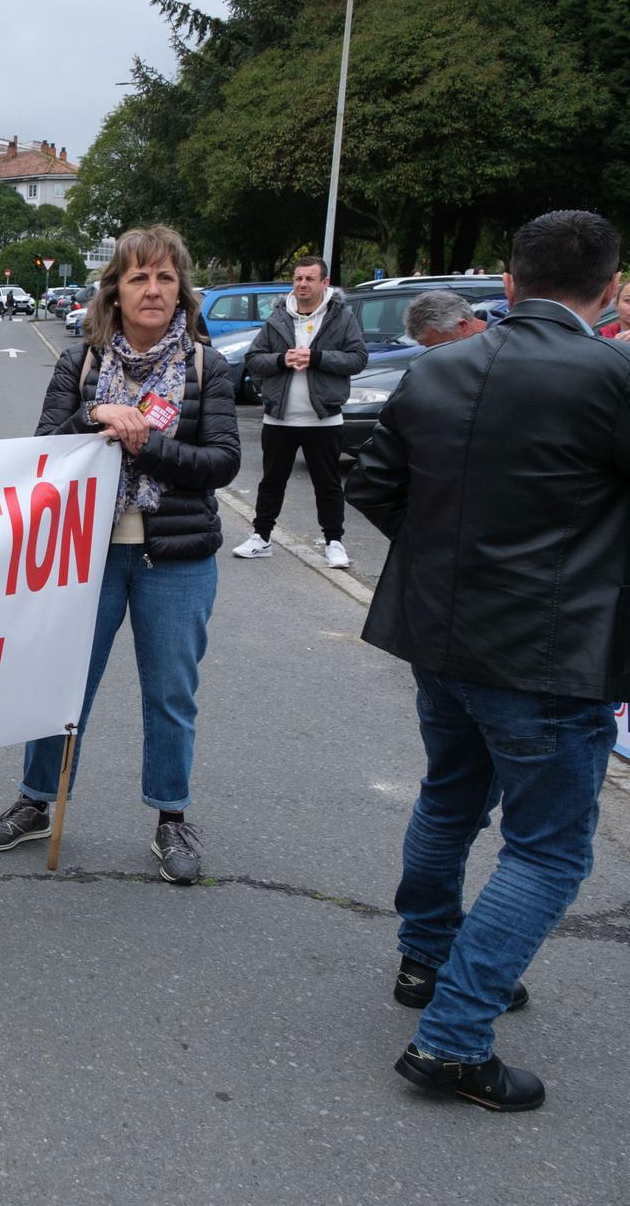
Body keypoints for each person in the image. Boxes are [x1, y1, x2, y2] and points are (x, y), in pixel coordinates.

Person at [347, 209, 630, 1113]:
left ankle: (428, 961)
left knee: (452, 799)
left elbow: (373, 486)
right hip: (549, 653)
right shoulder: (612, 376)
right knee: (547, 852)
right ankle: (454, 1036)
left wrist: (445, 563)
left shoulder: (440, 368)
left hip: (446, 638)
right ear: (612, 291)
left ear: (508, 285)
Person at [0, 224, 239, 885]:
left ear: (182, 292)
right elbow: (43, 450)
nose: (152, 289)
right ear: (114, 292)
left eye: (165, 278)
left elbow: (223, 462)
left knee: (171, 693)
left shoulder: (207, 367)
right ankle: (37, 800)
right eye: (138, 277)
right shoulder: (82, 364)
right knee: (61, 684)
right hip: (83, 556)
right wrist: (96, 417)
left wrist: (147, 442)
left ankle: (171, 816)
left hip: (174, 556)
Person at [232, 256, 368, 569]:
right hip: (278, 416)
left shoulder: (341, 317)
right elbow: (254, 357)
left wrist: (317, 358)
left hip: (324, 418)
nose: (302, 285)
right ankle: (261, 538)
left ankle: (334, 542)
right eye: (297, 279)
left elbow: (358, 358)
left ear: (325, 283)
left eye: (309, 279)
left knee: (328, 483)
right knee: (271, 481)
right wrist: (282, 360)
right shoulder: (278, 317)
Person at [402, 290, 485, 347]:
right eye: (427, 349)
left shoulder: (496, 355)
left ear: (462, 326)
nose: (434, 355)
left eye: (438, 347)